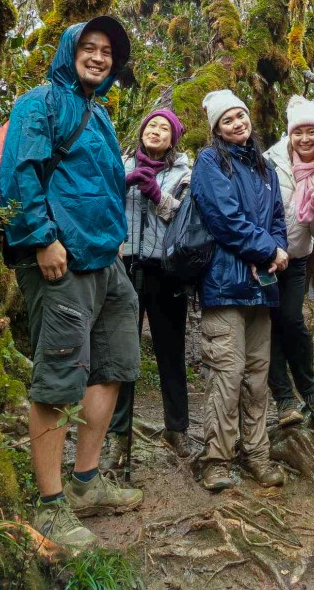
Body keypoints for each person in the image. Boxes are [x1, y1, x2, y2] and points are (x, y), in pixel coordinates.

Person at [0, 16, 143, 550]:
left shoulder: (97, 113)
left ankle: (86, 482)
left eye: (107, 51)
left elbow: (105, 185)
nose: (100, 57)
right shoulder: (41, 103)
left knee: (112, 366)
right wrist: (41, 237)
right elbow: (19, 175)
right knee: (59, 377)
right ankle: (51, 504)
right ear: (70, 50)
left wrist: (116, 245)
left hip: (106, 262)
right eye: (90, 46)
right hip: (60, 261)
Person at [190, 89, 289, 491]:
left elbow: (278, 217)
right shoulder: (210, 161)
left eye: (241, 116)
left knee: (257, 377)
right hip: (224, 285)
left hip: (260, 287)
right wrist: (268, 249)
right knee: (226, 375)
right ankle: (216, 460)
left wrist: (277, 250)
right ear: (216, 127)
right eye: (227, 119)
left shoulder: (264, 168)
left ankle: (257, 455)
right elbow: (223, 218)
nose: (237, 123)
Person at [101, 108, 192, 470]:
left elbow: (185, 217)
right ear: (141, 132)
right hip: (123, 265)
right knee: (121, 353)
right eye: (151, 126)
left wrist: (156, 193)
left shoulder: (184, 172)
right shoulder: (119, 165)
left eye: (164, 128)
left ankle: (177, 428)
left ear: (174, 138)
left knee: (171, 351)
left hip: (166, 268)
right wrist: (122, 184)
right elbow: (101, 203)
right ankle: (116, 436)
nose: (155, 131)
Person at [264, 95, 314, 427]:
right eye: (299, 132)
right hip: (264, 257)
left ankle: (310, 391)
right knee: (268, 328)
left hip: (297, 259)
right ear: (290, 135)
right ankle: (283, 400)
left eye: (312, 132)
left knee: (292, 322)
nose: (305, 139)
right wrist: (263, 249)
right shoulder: (269, 161)